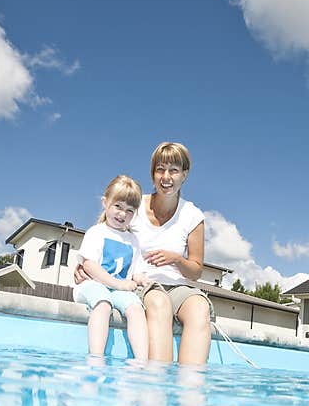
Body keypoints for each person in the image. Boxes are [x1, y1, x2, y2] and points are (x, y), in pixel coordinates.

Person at [75, 142, 212, 365]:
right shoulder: (135, 207)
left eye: (174, 170)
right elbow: (106, 232)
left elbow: (196, 270)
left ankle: (190, 390)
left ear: (184, 175)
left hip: (178, 286)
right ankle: (156, 387)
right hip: (143, 285)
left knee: (200, 306)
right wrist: (83, 265)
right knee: (159, 302)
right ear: (153, 173)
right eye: (160, 169)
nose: (166, 177)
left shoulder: (193, 215)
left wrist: (176, 259)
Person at [73, 175, 150, 360]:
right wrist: (118, 284)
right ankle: (96, 358)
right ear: (105, 203)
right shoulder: (96, 232)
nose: (122, 214)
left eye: (129, 210)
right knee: (103, 303)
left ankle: (140, 362)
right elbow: (89, 265)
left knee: (136, 308)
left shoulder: (133, 240)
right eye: (118, 206)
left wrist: (140, 279)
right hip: (92, 285)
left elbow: (136, 270)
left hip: (117, 290)